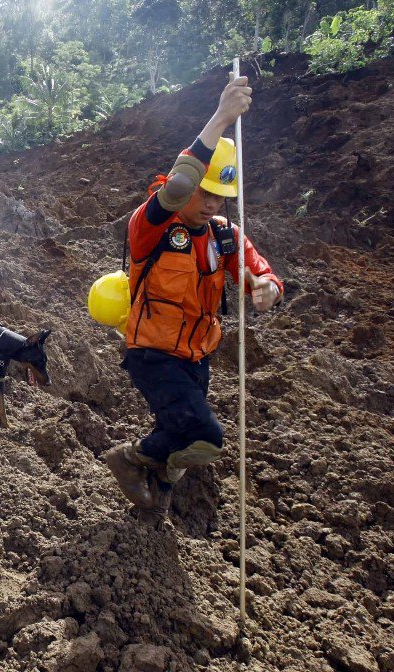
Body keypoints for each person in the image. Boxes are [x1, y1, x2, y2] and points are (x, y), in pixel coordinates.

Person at [105, 75, 284, 517]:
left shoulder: (226, 236)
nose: (210, 205)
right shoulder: (151, 228)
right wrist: (221, 118)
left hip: (197, 356)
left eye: (220, 198)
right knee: (204, 437)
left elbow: (262, 274)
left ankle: (154, 500)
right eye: (205, 194)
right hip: (152, 351)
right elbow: (180, 184)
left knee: (175, 436)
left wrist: (268, 290)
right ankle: (127, 459)